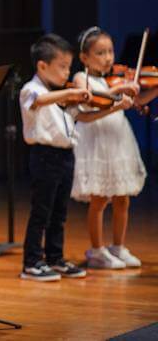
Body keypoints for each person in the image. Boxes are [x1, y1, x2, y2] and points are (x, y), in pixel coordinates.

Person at [71, 27, 157, 269]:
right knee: (99, 199)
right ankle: (96, 250)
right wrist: (118, 92)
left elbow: (138, 101)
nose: (108, 57)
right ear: (84, 57)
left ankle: (118, 246)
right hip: (96, 141)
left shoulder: (117, 78)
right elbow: (90, 100)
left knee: (122, 198)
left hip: (118, 139)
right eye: (100, 53)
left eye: (110, 51)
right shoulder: (82, 78)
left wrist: (154, 88)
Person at [19, 34, 94, 281]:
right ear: (42, 65)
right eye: (62, 67)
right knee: (42, 211)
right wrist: (66, 95)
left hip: (65, 156)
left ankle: (54, 257)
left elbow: (82, 117)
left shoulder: (60, 94)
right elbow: (38, 101)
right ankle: (31, 262)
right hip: (45, 156)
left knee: (59, 213)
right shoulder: (31, 90)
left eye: (69, 67)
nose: (67, 73)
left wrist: (113, 102)